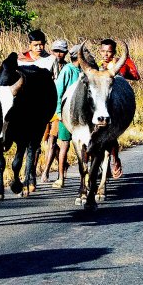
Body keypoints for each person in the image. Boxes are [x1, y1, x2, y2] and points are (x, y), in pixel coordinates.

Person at [96, 38, 139, 179]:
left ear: (114, 52)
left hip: (116, 102)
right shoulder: (97, 66)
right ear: (100, 51)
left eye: (109, 52)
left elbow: (135, 76)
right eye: (103, 51)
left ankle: (115, 160)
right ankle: (104, 167)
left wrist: (124, 64)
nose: (106, 54)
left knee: (111, 135)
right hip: (100, 104)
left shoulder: (118, 65)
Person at [50, 44, 82, 188]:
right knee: (64, 145)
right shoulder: (68, 70)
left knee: (84, 147)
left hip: (81, 116)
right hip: (66, 114)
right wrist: (58, 112)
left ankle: (85, 177)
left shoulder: (84, 71)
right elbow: (58, 92)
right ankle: (61, 177)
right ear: (79, 57)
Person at [38, 39, 69, 182]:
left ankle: (45, 172)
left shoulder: (68, 68)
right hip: (47, 107)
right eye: (56, 51)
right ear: (52, 51)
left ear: (66, 53)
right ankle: (64, 165)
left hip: (61, 107)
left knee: (52, 139)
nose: (58, 54)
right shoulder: (47, 66)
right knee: (47, 141)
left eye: (61, 51)